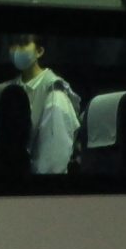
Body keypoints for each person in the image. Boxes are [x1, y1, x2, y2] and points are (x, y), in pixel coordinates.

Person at [10, 33, 84, 176]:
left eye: (23, 43)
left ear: (39, 51)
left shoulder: (54, 93)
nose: (16, 50)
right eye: (13, 44)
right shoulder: (9, 89)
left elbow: (54, 159)